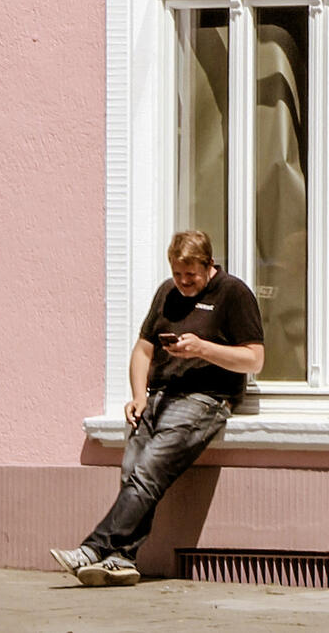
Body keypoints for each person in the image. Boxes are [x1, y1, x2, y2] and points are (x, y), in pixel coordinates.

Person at [51, 230, 264, 586]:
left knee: (148, 471)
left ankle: (94, 548)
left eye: (191, 275)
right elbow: (143, 350)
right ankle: (122, 560)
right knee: (133, 470)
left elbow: (254, 359)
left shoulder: (233, 293)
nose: (183, 282)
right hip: (159, 396)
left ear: (208, 264)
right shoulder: (167, 292)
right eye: (178, 274)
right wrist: (138, 395)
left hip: (205, 399)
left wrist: (203, 349)